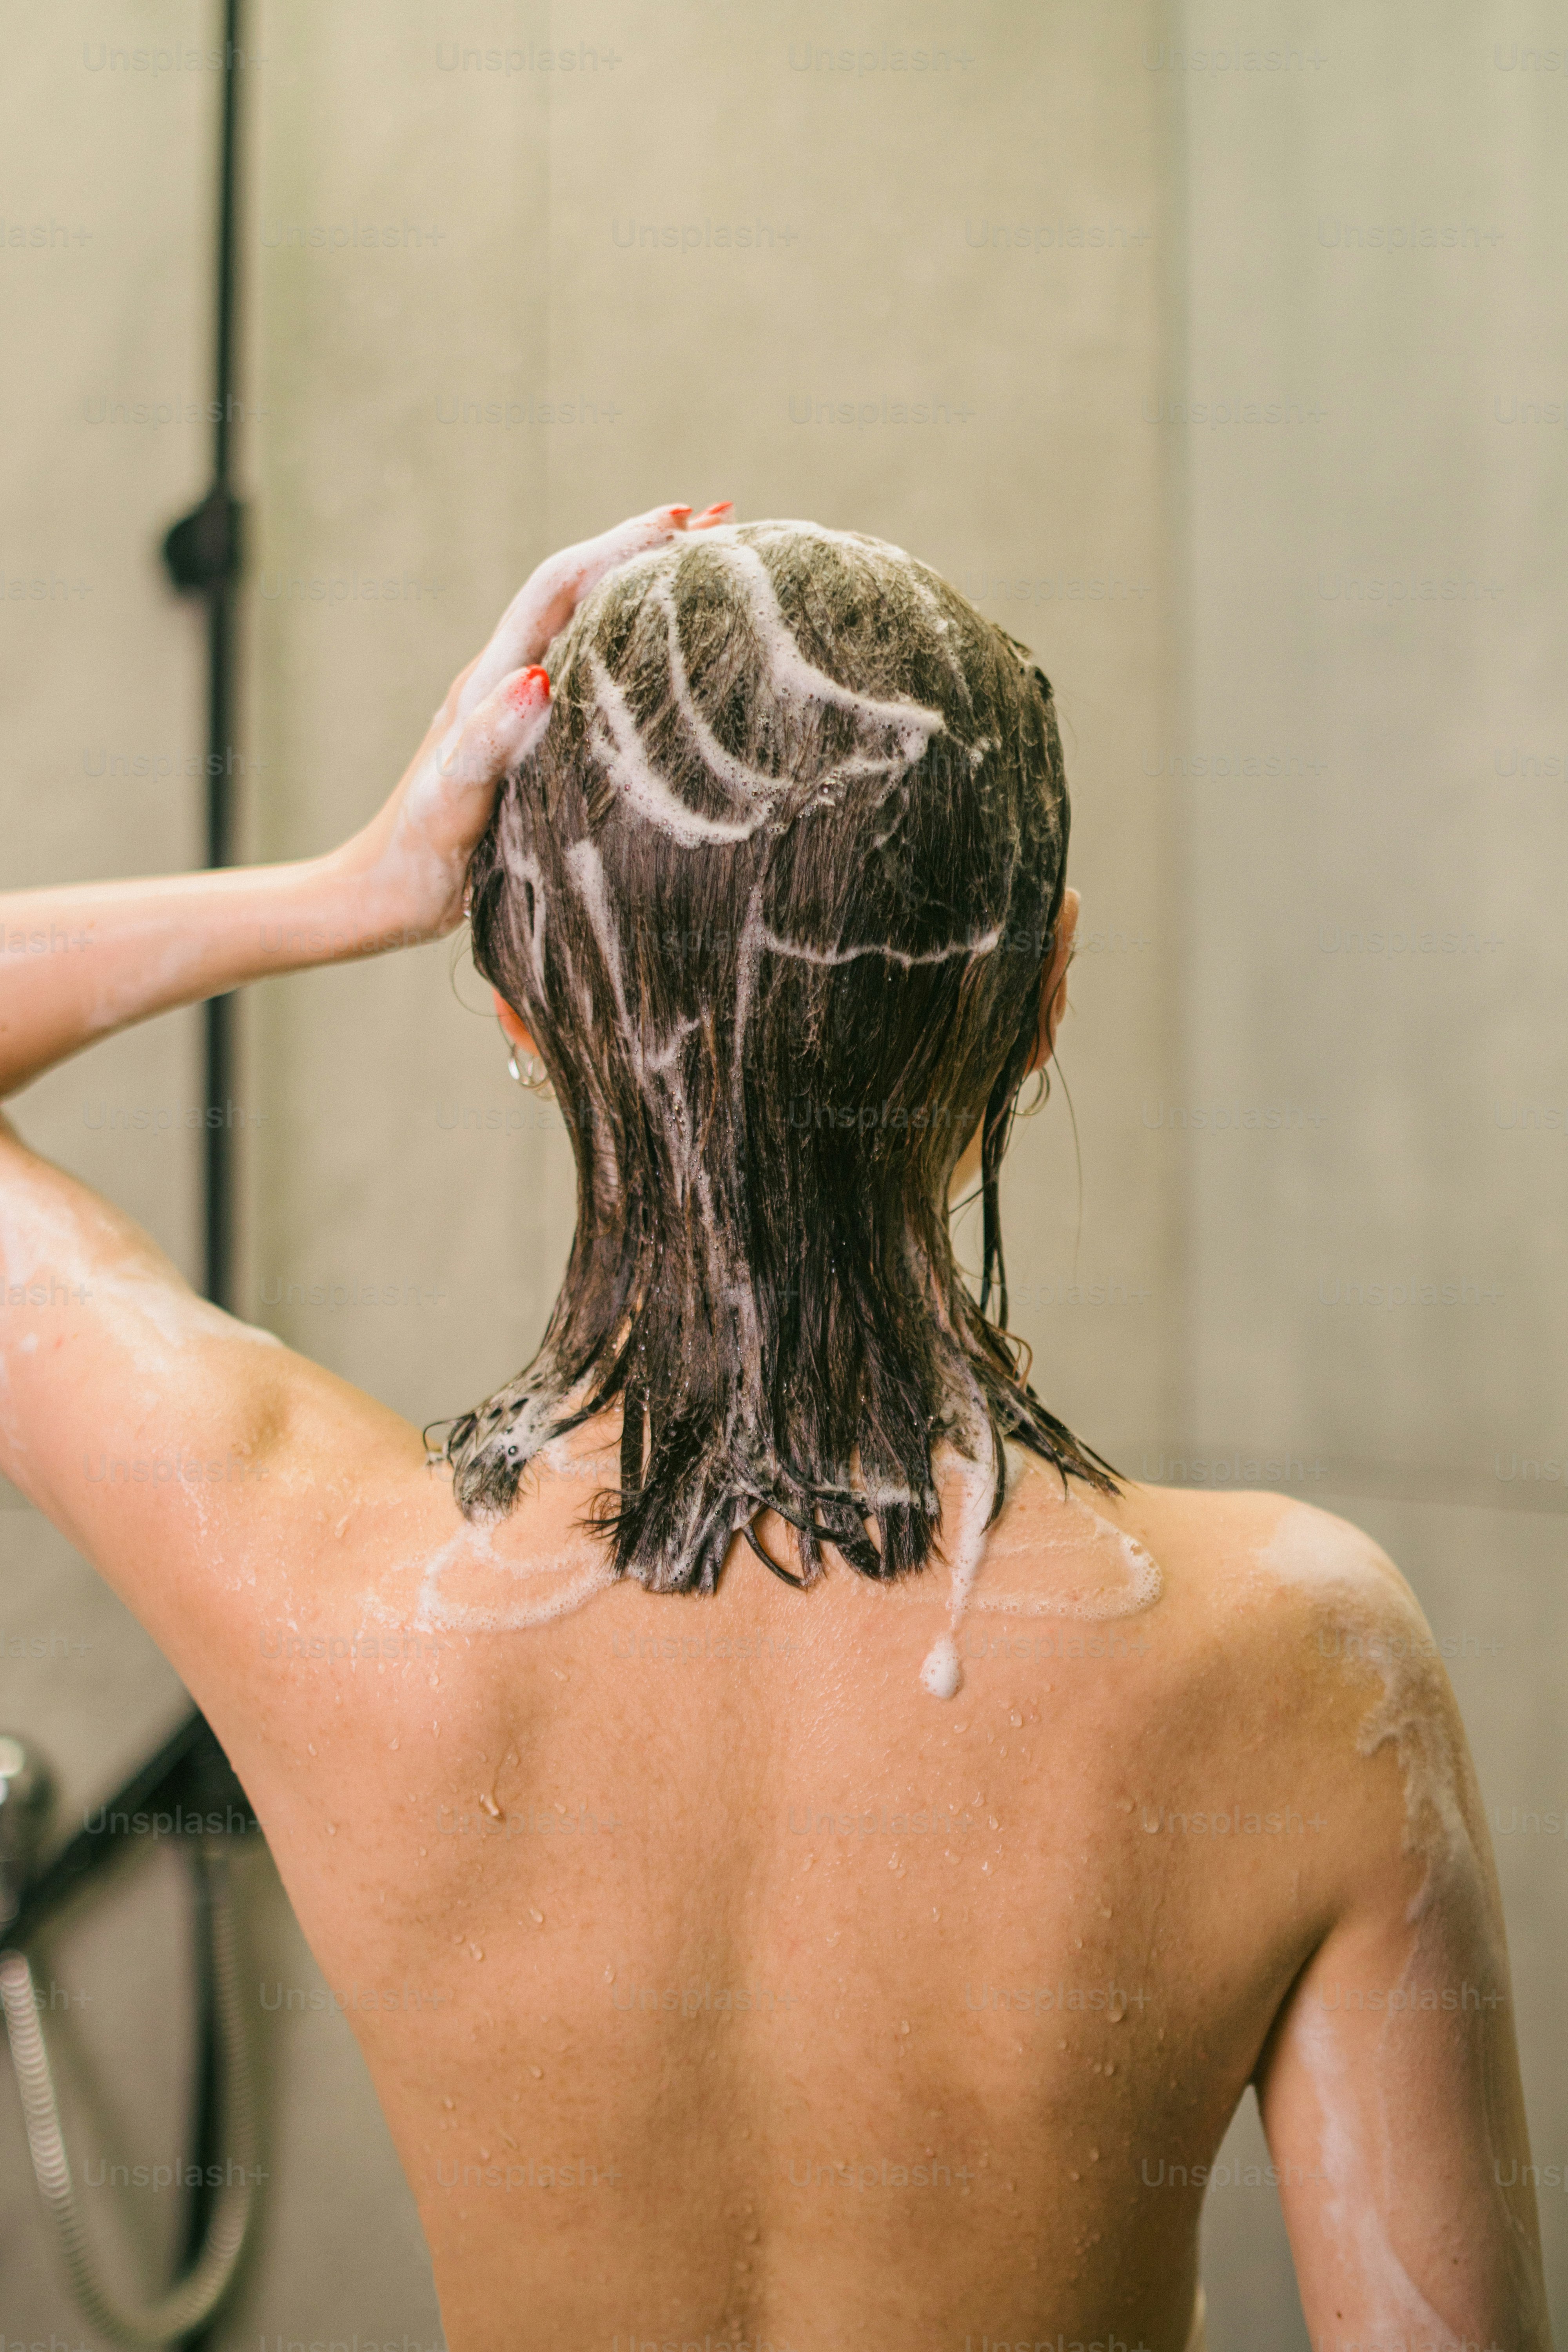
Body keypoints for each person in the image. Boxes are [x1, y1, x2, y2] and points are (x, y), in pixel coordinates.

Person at [0, 505, 1550, 2352]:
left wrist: (357, 885)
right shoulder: (1302, 1661)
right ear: (1042, 996)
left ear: (518, 1008)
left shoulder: (320, 1577)